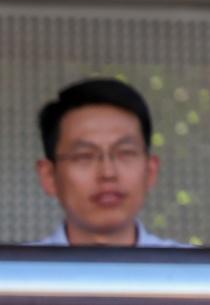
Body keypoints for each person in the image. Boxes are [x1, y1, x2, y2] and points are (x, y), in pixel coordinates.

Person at [29, 78, 187, 247]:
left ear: (150, 171)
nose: (108, 173)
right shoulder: (18, 263)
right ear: (49, 176)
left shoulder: (192, 263)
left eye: (125, 153)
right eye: (85, 156)